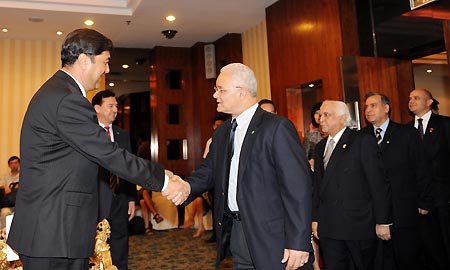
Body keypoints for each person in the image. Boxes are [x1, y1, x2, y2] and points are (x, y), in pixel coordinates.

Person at [7, 28, 189, 270]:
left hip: (53, 229)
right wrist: (164, 182)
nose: (106, 70)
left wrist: (163, 175)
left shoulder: (57, 92)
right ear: (84, 59)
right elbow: (109, 154)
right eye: (104, 62)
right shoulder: (67, 99)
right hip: (55, 232)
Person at [173, 63, 314, 269]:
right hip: (238, 233)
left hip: (275, 238)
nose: (215, 95)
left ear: (241, 92)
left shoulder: (276, 127)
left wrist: (299, 242)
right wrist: (186, 187)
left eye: (221, 89)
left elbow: (298, 188)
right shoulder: (222, 133)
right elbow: (209, 171)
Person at [312, 100, 391, 270]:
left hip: (359, 226)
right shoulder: (319, 148)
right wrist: (315, 218)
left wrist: (383, 221)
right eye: (320, 114)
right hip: (329, 227)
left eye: (326, 114)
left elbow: (377, 183)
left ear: (342, 118)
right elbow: (318, 187)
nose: (321, 119)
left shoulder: (362, 140)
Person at [362, 92, 432, 270]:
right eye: (366, 107)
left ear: (386, 108)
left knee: (408, 259)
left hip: (404, 210)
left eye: (373, 105)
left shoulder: (407, 133)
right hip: (373, 214)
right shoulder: (361, 138)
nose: (368, 110)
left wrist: (424, 201)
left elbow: (421, 168)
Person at [92, 90, 138, 270]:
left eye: (116, 106)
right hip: (95, 197)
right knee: (95, 241)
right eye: (110, 106)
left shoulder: (122, 135)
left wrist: (132, 198)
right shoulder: (88, 133)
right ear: (97, 108)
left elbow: (130, 168)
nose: (115, 110)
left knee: (120, 239)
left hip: (120, 195)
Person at [408, 88, 450, 270]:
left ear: (429, 102)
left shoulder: (445, 124)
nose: (411, 101)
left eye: (416, 98)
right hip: (418, 199)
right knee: (427, 246)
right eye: (410, 98)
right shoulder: (406, 130)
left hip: (443, 196)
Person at [0, 156, 20, 228]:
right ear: (9, 165)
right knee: (4, 213)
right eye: (11, 163)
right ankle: (5, 235)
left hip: (21, 204)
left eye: (16, 163)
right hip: (8, 203)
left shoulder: (24, 175)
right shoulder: (5, 176)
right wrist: (5, 186)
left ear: (19, 164)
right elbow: (0, 184)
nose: (14, 165)